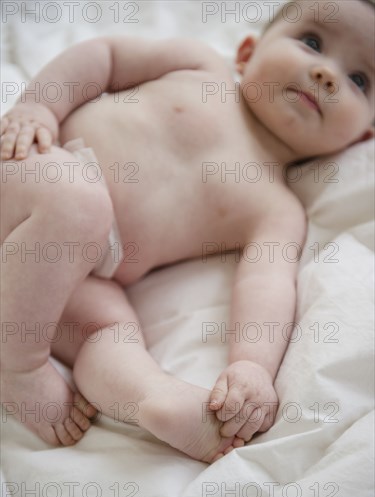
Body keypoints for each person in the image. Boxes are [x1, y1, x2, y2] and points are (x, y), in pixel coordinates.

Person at [1, 0, 374, 463]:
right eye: (312, 43)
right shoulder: (201, 66)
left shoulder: (278, 209)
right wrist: (39, 106)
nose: (326, 74)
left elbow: (266, 284)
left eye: (361, 80)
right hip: (36, 174)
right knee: (78, 204)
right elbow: (104, 57)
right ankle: (17, 364)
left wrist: (252, 366)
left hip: (70, 279)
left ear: (363, 137)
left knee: (111, 333)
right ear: (246, 52)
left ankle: (156, 402)